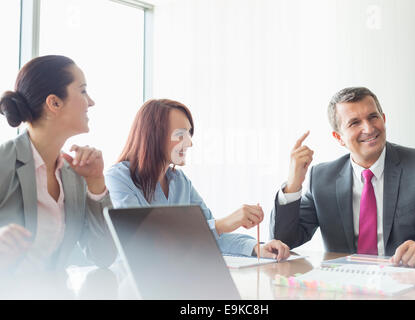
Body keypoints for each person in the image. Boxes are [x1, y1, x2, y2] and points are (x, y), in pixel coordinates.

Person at [270, 87, 415, 267]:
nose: (369, 128)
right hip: (347, 287)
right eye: (354, 123)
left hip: (408, 282)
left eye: (373, 117)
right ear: (339, 137)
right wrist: (293, 184)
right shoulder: (322, 178)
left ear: (383, 119)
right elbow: (283, 242)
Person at [105, 99, 290, 260]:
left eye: (189, 134)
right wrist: (221, 224)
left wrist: (257, 247)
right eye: (180, 135)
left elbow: (213, 235)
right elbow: (144, 239)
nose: (189, 143)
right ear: (153, 136)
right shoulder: (118, 179)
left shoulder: (179, 182)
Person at [0, 55, 116, 273]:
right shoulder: (4, 162)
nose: (91, 101)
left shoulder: (74, 175)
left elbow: (103, 255)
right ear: (54, 102)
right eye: (82, 91)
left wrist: (96, 182)